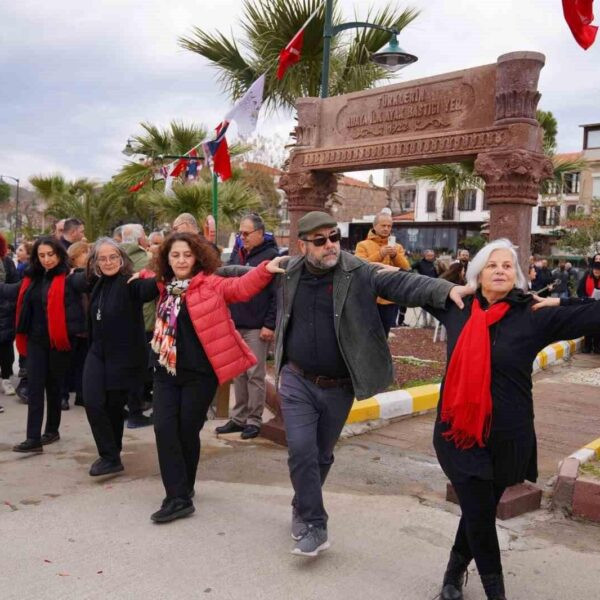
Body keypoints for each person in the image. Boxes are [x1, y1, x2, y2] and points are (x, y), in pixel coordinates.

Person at [273, 211, 470, 557]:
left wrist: (447, 288)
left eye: (333, 236)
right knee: (301, 450)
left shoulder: (358, 271)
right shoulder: (288, 271)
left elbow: (404, 284)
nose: (330, 245)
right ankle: (316, 523)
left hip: (339, 384)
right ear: (303, 245)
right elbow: (241, 278)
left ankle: (301, 504)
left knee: (320, 454)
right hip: (296, 378)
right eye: (320, 241)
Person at [422, 238, 600, 600]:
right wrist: (448, 286)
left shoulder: (532, 313)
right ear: (477, 275)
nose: (500, 270)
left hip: (509, 435)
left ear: (517, 275)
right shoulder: (458, 306)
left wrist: (562, 301)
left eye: (507, 266)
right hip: (460, 434)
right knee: (479, 509)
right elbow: (402, 285)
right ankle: (495, 592)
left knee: (479, 510)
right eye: (492, 265)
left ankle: (453, 575)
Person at [132, 232, 285, 523]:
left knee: (186, 432)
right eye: (175, 255)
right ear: (167, 258)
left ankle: (183, 489)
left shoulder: (211, 285)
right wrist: (140, 272)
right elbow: (150, 275)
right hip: (165, 371)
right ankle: (177, 497)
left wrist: (265, 270)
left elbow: (240, 288)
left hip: (199, 375)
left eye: (187, 255)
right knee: (165, 430)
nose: (181, 260)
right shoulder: (165, 285)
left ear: (197, 257)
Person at [78, 238, 160, 476]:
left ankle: (112, 457)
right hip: (97, 353)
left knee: (113, 407)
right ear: (95, 262)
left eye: (113, 257)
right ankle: (108, 453)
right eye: (102, 258)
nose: (108, 262)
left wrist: (154, 275)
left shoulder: (131, 283)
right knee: (92, 401)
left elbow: (150, 288)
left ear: (122, 259)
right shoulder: (97, 283)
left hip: (122, 356)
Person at [0, 237, 86, 452]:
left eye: (51, 254)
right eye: (42, 255)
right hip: (35, 341)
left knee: (54, 387)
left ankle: (52, 430)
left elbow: (90, 281)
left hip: (59, 342)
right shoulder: (31, 279)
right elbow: (11, 291)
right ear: (36, 257)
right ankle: (33, 439)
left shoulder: (69, 278)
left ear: (59, 254)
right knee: (36, 387)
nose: (47, 259)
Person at [215, 214, 279, 440]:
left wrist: (269, 324)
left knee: (254, 374)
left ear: (260, 233)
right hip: (235, 323)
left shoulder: (271, 256)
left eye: (246, 234)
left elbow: (276, 294)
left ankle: (254, 420)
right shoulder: (237, 254)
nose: (242, 238)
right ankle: (238, 418)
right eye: (240, 233)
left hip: (256, 326)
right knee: (238, 373)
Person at [354, 212, 410, 337]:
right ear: (374, 226)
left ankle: (380, 356)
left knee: (384, 334)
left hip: (390, 298)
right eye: (383, 225)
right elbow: (358, 267)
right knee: (365, 334)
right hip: (368, 297)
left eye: (389, 226)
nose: (386, 229)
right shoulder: (362, 245)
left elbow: (406, 269)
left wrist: (395, 255)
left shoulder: (397, 247)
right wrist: (380, 254)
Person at [121, 223, 154, 428]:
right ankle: (136, 411)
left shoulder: (117, 258)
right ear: (140, 239)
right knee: (140, 368)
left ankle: (125, 407)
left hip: (120, 322)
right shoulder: (145, 260)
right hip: (144, 321)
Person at [60, 242, 91, 410]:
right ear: (76, 256)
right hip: (72, 326)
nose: (88, 255)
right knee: (67, 364)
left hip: (86, 326)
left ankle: (81, 394)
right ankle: (62, 396)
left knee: (83, 364)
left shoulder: (89, 274)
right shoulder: (69, 275)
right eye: (85, 252)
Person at [0, 234, 19, 409]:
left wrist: (9, 304)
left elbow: (16, 284)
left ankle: (6, 378)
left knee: (6, 347)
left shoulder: (7, 262)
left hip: (4, 312)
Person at [577, 254, 600, 353]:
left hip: (598, 306)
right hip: (588, 305)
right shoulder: (587, 274)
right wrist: (585, 298)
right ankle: (587, 346)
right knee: (588, 326)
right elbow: (579, 290)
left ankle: (597, 346)